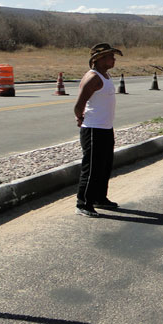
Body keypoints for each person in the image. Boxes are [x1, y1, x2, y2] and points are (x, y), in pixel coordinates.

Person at [73, 43, 123, 218]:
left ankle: (99, 198)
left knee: (104, 166)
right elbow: (78, 105)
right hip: (93, 129)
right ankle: (83, 202)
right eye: (110, 56)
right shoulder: (93, 78)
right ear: (99, 59)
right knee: (92, 167)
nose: (114, 59)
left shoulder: (105, 75)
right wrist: (80, 118)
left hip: (105, 128)